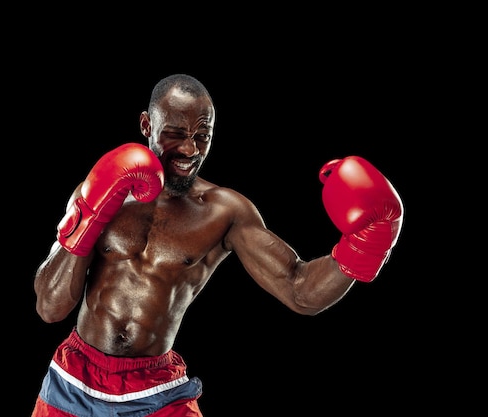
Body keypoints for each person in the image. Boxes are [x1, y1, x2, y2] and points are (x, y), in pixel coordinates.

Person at [30, 73, 404, 417]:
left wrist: (366, 243)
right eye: (175, 133)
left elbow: (300, 290)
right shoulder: (102, 188)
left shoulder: (223, 211)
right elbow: (50, 307)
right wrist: (89, 215)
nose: (191, 149)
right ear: (147, 124)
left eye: (203, 135)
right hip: (73, 380)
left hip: (156, 391)